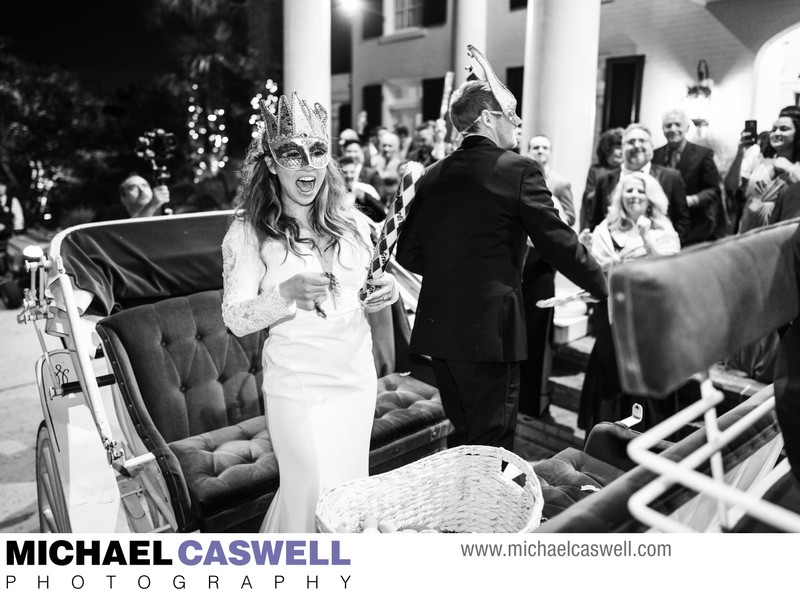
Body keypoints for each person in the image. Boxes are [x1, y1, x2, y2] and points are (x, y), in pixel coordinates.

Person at [395, 45, 607, 451]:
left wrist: (455, 263)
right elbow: (559, 242)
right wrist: (606, 286)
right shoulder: (520, 169)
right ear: (489, 118)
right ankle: (487, 515)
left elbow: (408, 254)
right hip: (491, 333)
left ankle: (459, 512)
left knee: (462, 435)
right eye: (511, 115)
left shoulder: (432, 177)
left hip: (441, 332)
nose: (519, 122)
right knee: (493, 440)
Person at [221, 91, 398, 533]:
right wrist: (284, 294)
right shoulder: (248, 231)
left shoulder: (354, 222)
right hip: (297, 384)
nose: (306, 166)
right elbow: (235, 319)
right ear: (271, 163)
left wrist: (388, 290)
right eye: (292, 155)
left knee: (347, 490)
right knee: (311, 487)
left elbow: (379, 279)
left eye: (316, 152)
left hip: (354, 378)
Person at [578, 172, 681, 432]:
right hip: (609, 313)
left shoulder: (663, 231)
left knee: (637, 373)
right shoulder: (605, 229)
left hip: (645, 314)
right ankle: (604, 434)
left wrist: (647, 240)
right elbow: (593, 272)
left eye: (640, 191)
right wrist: (584, 251)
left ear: (650, 199)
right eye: (629, 190)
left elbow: (670, 270)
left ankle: (640, 437)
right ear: (619, 196)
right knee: (610, 372)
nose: (634, 195)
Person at [588, 123, 691, 245]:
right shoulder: (605, 180)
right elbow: (596, 221)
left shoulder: (671, 178)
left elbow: (682, 221)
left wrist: (669, 251)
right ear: (622, 147)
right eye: (631, 142)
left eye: (642, 141)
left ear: (651, 146)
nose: (636, 145)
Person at [653, 107, 722, 246]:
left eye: (678, 124)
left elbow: (714, 190)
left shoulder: (703, 154)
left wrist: (691, 200)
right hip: (660, 225)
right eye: (668, 125)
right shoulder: (655, 155)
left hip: (694, 226)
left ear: (687, 127)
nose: (673, 129)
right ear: (662, 129)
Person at [737, 110, 800, 233]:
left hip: (778, 233)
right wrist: (739, 152)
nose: (776, 133)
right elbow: (731, 186)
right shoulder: (761, 161)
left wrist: (789, 169)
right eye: (774, 129)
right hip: (748, 227)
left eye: (784, 129)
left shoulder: (795, 168)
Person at [526, 134, 575, 226]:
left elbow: (570, 216)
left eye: (545, 148)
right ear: (528, 152)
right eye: (536, 148)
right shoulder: (520, 180)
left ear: (550, 152)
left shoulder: (561, 183)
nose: (540, 151)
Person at [580, 127, 623, 231]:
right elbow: (588, 198)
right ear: (607, 148)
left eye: (623, 147)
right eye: (618, 147)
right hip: (598, 219)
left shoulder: (625, 171)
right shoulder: (596, 170)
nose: (621, 152)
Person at [338, 155, 386, 222]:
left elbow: (381, 214)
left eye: (352, 172)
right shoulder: (334, 192)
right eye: (345, 172)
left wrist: (365, 197)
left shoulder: (366, 188)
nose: (349, 176)